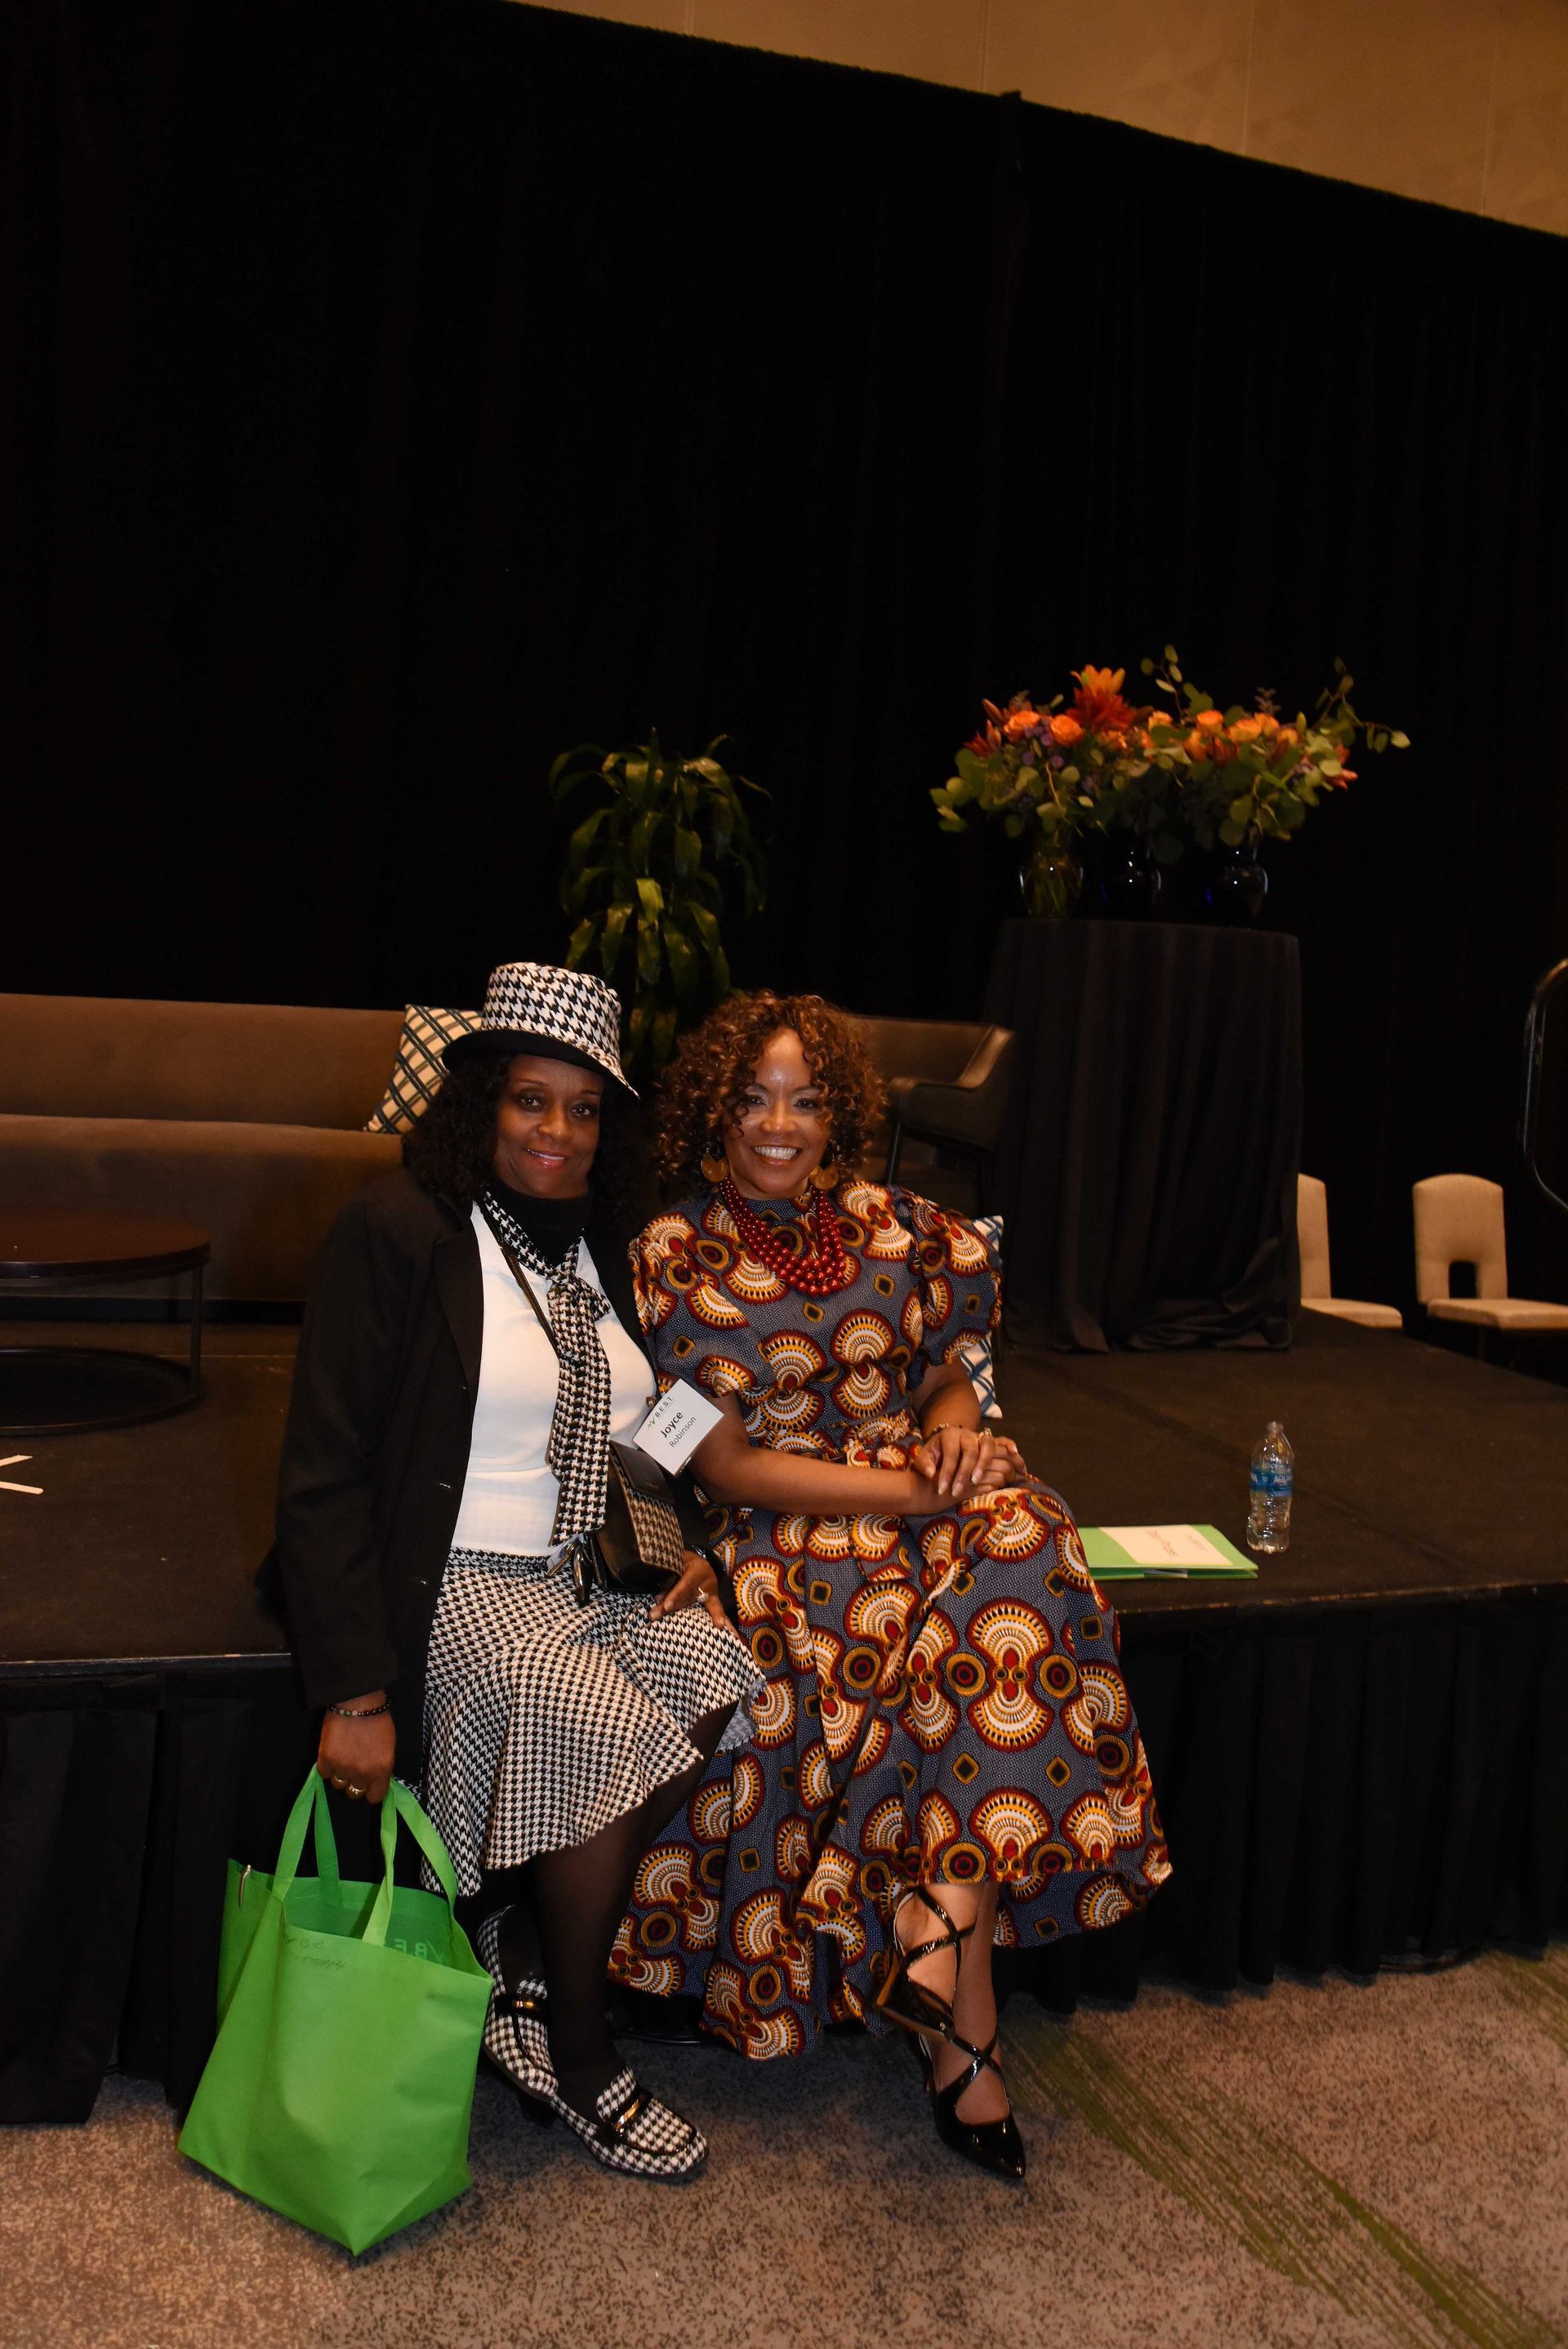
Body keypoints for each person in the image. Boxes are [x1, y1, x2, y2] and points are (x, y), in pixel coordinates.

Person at [615, 992, 1170, 2180]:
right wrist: (913, 1494)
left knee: (1025, 1529)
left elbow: (944, 1373)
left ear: (839, 1114)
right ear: (714, 1110)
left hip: (916, 1493)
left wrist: (956, 1437)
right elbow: (725, 1464)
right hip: (795, 1529)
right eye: (754, 1099)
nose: (780, 1124)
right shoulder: (674, 1249)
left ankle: (938, 1918)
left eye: (806, 1100)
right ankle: (965, 2020)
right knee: (951, 1617)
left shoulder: (900, 1225)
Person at [273, 962, 760, 2182]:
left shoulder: (598, 1242)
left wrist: (696, 1542)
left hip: (584, 1570)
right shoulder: (402, 1232)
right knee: (601, 1726)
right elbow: (323, 1469)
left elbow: (641, 1425)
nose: (558, 1131)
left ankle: (520, 1949)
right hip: (453, 1579)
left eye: (584, 1108)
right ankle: (582, 2052)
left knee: (718, 1674)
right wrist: (353, 1689)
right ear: (481, 1104)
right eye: (531, 1100)